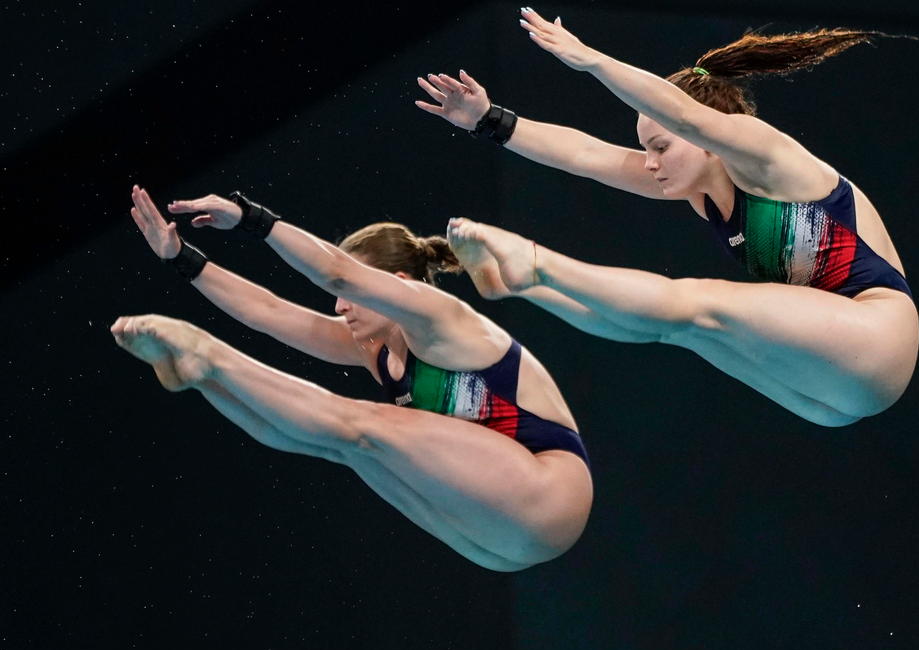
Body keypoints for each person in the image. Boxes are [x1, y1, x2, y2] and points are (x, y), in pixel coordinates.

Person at [416, 8, 918, 427]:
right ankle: (523, 285)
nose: (649, 162)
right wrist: (488, 120)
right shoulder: (698, 187)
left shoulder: (768, 158)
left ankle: (537, 263)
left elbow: (684, 115)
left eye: (659, 147)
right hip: (828, 397)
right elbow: (586, 156)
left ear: (707, 140)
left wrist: (592, 60)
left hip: (875, 334)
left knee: (700, 302)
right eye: (645, 149)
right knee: (679, 329)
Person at [112, 185, 592, 572]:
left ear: (399, 285)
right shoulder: (370, 346)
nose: (339, 307)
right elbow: (269, 312)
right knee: (337, 446)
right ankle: (203, 378)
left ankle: (207, 356)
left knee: (361, 424)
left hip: (547, 495)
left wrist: (252, 218)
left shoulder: (441, 319)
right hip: (497, 543)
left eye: (355, 295)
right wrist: (182, 260)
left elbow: (336, 275)